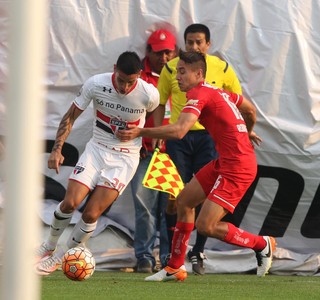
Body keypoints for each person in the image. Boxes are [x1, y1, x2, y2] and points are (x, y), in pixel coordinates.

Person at [117, 50, 276, 282]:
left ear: (198, 73)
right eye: (177, 71)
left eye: (182, 72)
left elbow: (179, 131)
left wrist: (141, 132)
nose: (177, 77)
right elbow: (250, 109)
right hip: (224, 162)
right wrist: (247, 130)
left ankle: (262, 244)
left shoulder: (199, 94)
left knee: (206, 226)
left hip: (238, 168)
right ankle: (174, 267)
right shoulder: (217, 91)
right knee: (183, 201)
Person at [35, 51, 160, 275]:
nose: (123, 87)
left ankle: (60, 257)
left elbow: (153, 112)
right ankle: (48, 246)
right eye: (120, 80)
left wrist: (143, 135)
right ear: (114, 69)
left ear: (139, 76)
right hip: (96, 150)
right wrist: (57, 149)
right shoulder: (96, 84)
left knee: (91, 214)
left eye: (130, 82)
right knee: (69, 202)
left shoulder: (149, 94)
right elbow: (71, 116)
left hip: (124, 158)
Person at [152, 23, 243, 275]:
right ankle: (172, 252)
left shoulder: (221, 67)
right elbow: (160, 101)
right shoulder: (171, 67)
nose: (194, 46)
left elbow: (236, 100)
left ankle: (198, 251)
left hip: (208, 138)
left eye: (199, 42)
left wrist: (247, 129)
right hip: (177, 139)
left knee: (204, 196)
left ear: (208, 45)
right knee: (173, 196)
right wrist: (158, 133)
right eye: (189, 42)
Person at [131, 29, 177, 273]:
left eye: (169, 51)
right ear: (148, 52)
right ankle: (145, 257)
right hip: (146, 151)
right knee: (145, 208)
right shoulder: (138, 77)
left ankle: (170, 257)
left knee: (170, 207)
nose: (165, 57)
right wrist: (135, 144)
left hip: (173, 151)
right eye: (159, 52)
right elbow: (128, 111)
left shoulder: (182, 72)